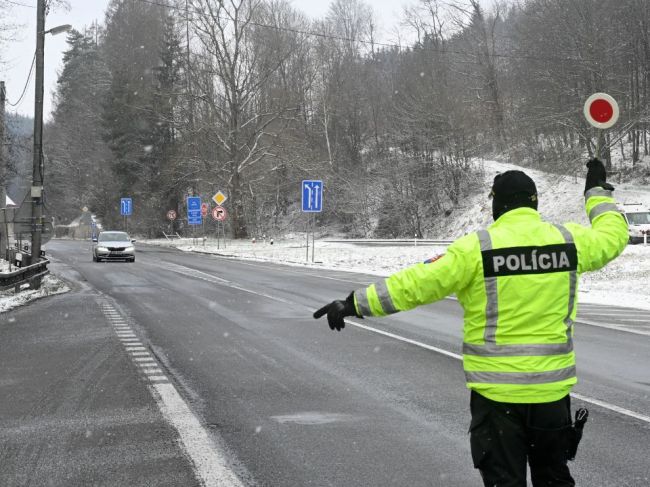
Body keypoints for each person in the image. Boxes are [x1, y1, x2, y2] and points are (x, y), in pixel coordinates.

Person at [313, 159, 628, 487]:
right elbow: (613, 235)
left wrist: (354, 304)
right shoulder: (568, 242)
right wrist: (595, 192)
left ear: (497, 204)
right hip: (550, 398)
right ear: (533, 203)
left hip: (497, 401)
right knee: (554, 480)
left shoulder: (476, 249)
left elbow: (416, 284)